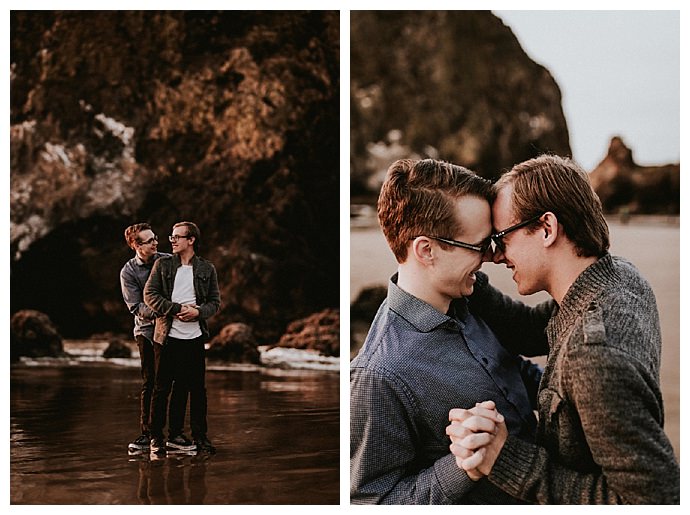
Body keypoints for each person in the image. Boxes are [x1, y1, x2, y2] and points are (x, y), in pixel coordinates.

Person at [446, 154, 680, 504]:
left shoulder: (594, 357)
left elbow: (649, 501)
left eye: (502, 237)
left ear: (546, 228)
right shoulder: (617, 279)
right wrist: (461, 269)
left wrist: (506, 460)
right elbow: (529, 330)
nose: (496, 255)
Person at [350, 158, 544, 504]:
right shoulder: (379, 376)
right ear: (427, 250)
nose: (491, 256)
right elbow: (371, 502)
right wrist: (462, 466)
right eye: (479, 245)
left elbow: (514, 368)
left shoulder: (470, 295)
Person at [144, 221, 221, 455]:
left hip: (195, 338)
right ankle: (156, 437)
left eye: (178, 237)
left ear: (191, 240)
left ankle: (196, 437)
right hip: (166, 337)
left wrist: (198, 312)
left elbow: (214, 303)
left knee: (195, 390)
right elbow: (150, 295)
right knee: (161, 389)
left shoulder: (207, 269)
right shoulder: (163, 265)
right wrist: (176, 308)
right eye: (172, 237)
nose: (172, 241)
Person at [120, 222, 186, 453]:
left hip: (174, 329)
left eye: (155, 238)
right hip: (146, 332)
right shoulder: (128, 272)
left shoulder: (168, 260)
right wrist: (163, 309)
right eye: (149, 240)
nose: (156, 242)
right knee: (151, 382)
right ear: (136, 245)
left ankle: (175, 435)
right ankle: (146, 434)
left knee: (175, 381)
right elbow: (135, 306)